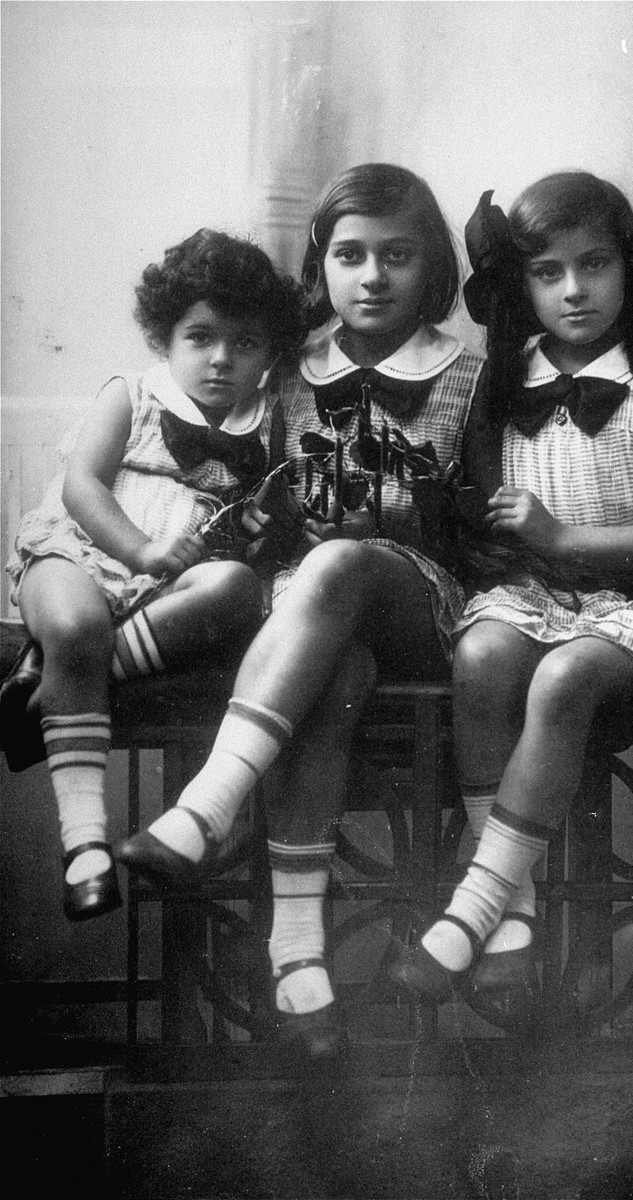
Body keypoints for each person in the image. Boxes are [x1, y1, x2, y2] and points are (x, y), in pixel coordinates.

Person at [116, 163, 485, 1058]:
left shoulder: (468, 376)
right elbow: (225, 491)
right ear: (320, 264)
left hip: (420, 604)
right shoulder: (284, 371)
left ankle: (208, 806)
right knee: (333, 664)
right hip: (311, 621)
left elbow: (482, 529)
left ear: (430, 267)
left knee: (341, 562)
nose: (372, 276)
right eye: (350, 254)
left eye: (397, 256)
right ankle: (297, 952)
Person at [389, 171, 633, 1028]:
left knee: (563, 680)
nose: (574, 290)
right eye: (546, 272)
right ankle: (516, 914)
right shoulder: (499, 384)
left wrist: (565, 539)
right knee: (483, 653)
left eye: (594, 264)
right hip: (530, 595)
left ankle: (475, 898)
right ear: (521, 285)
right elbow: (485, 514)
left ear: (628, 267)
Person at [1, 229, 305, 922]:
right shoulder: (132, 395)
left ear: (270, 355)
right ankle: (83, 845)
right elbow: (82, 488)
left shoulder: (268, 426)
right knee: (76, 622)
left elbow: (252, 530)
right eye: (200, 337)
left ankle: (54, 679)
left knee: (234, 590)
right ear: (165, 337)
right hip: (80, 553)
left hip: (167, 592)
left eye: (245, 343)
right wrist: (138, 551)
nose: (221, 358)